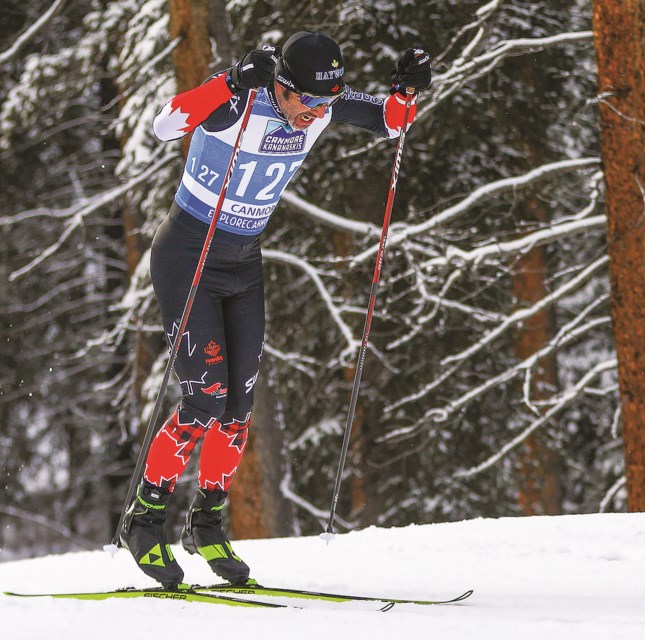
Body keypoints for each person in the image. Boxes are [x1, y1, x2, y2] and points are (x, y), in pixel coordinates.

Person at [117, 31, 433, 587]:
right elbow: (165, 124)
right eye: (306, 101)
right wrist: (230, 81)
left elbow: (392, 120)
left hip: (242, 262)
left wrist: (407, 89)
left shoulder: (319, 106)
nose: (313, 114)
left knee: (237, 408)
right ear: (281, 87)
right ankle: (145, 521)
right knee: (203, 398)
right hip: (188, 253)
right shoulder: (239, 102)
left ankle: (208, 524)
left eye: (325, 104)